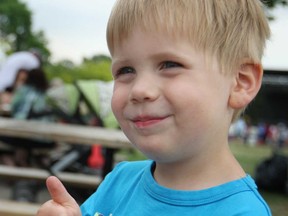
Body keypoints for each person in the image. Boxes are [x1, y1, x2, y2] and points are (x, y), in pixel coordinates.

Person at [37, 0, 271, 215]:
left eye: (170, 65)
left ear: (240, 82)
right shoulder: (119, 181)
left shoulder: (242, 211)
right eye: (125, 70)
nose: (140, 90)